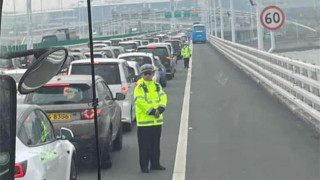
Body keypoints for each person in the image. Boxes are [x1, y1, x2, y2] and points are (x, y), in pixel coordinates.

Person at [134, 64, 168, 173]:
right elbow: (140, 102)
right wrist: (154, 112)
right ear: (142, 75)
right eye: (145, 74)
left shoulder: (157, 86)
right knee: (144, 147)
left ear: (153, 74)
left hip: (157, 122)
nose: (148, 75)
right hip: (144, 123)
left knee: (155, 145)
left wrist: (160, 109)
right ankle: (144, 166)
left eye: (150, 73)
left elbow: (163, 97)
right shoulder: (139, 87)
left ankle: (155, 164)